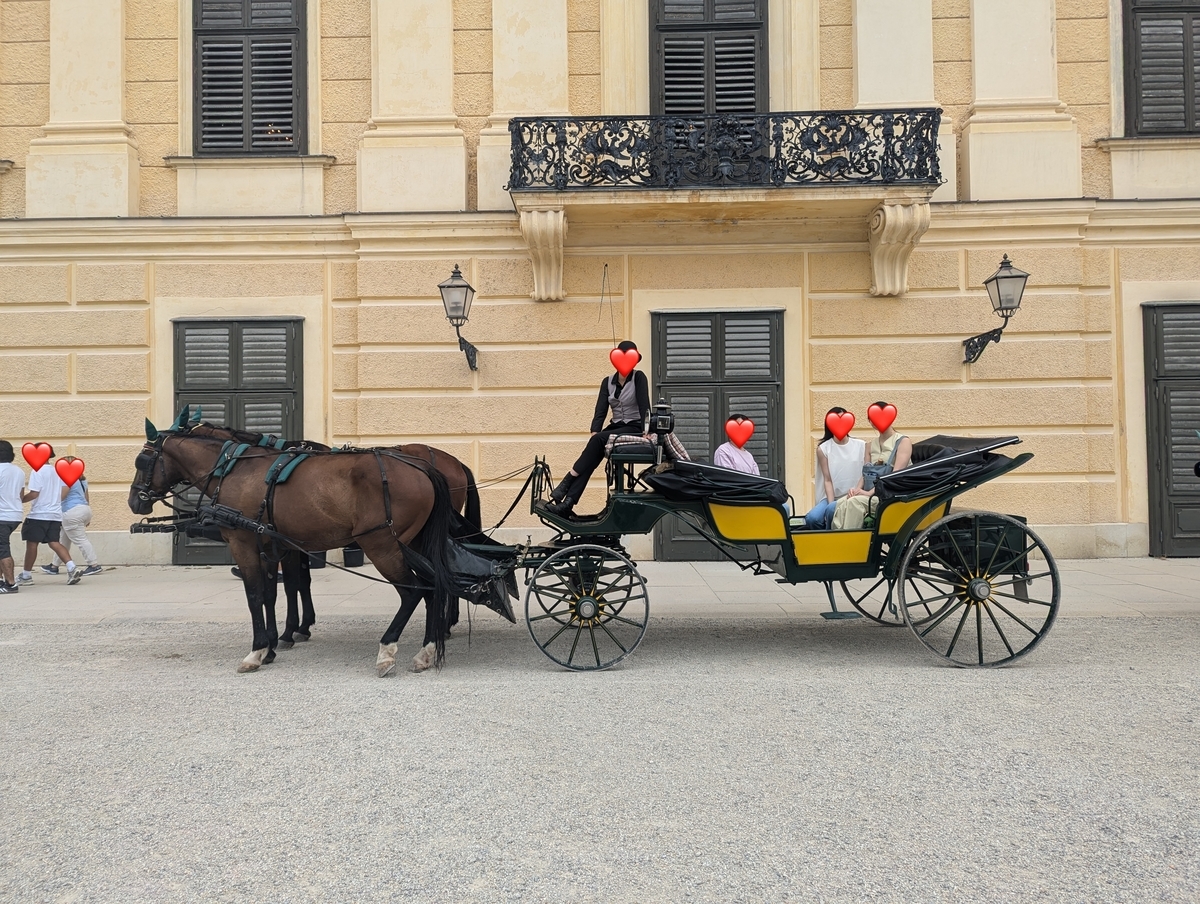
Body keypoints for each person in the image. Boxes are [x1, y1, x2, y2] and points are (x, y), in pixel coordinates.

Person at [548, 340, 650, 516]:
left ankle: (567, 480)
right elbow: (600, 409)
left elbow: (644, 406)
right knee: (592, 457)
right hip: (616, 426)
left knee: (598, 441)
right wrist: (595, 430)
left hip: (634, 426)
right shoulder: (607, 381)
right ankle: (568, 503)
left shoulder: (639, 377)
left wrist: (647, 430)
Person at [833, 402, 913, 530]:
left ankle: (851, 543)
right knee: (842, 502)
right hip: (871, 493)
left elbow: (895, 475)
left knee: (854, 503)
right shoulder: (869, 446)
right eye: (871, 419)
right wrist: (855, 490)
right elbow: (865, 473)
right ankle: (837, 540)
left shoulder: (903, 441)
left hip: (889, 495)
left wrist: (868, 493)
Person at [16, 444, 79, 586]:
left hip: (39, 514)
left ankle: (26, 575)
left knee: (32, 544)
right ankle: (72, 567)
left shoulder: (37, 471)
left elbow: (34, 493)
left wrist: (19, 500)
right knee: (54, 543)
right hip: (55, 514)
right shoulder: (58, 471)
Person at [803, 407, 865, 530]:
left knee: (832, 512)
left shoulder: (862, 445)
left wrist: (856, 491)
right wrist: (831, 504)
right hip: (831, 497)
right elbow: (827, 480)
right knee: (812, 518)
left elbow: (865, 473)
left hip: (854, 496)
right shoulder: (823, 448)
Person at [44, 466, 101, 577]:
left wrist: (48, 500)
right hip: (84, 509)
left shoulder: (67, 479)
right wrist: (86, 516)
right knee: (63, 539)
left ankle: (93, 565)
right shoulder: (82, 480)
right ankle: (54, 566)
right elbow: (86, 497)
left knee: (80, 539)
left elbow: (62, 495)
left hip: (71, 512)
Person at [0, 441, 24, 593]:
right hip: (14, 515)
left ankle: (11, 583)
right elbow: (20, 495)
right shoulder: (19, 471)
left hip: (2, 515)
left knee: (3, 549)